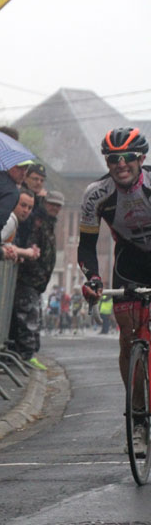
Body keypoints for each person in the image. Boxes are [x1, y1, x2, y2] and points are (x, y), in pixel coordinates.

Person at [78, 127, 151, 455]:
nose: (120, 164)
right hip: (129, 261)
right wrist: (93, 278)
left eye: (127, 158)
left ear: (142, 159)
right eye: (112, 159)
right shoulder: (96, 194)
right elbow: (87, 246)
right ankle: (137, 419)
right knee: (128, 338)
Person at [10, 190, 63, 369]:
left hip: (37, 282)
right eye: (52, 204)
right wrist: (38, 273)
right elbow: (31, 248)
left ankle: (30, 354)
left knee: (33, 317)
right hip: (29, 279)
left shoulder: (48, 223)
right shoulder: (37, 223)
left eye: (58, 205)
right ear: (45, 204)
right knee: (27, 317)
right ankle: (26, 356)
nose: (55, 208)